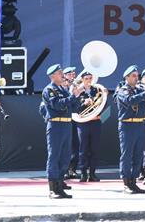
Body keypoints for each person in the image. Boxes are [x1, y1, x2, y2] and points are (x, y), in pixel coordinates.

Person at [41, 64, 82, 199]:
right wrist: (72, 97)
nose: (63, 75)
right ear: (52, 76)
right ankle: (53, 188)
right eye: (60, 73)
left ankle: (59, 186)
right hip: (55, 124)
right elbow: (57, 105)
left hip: (66, 124)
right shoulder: (49, 90)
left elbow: (74, 108)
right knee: (54, 156)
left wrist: (77, 96)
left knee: (65, 156)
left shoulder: (63, 90)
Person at [115, 65, 145, 194]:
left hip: (139, 124)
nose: (136, 78)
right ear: (126, 77)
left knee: (138, 155)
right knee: (127, 155)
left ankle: (134, 181)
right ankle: (126, 182)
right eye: (133, 76)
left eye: (137, 75)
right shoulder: (122, 90)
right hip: (127, 125)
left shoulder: (140, 89)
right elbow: (130, 101)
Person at [75, 70, 103, 182]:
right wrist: (84, 103)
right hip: (83, 123)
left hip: (95, 122)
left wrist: (102, 98)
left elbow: (105, 106)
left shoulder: (97, 91)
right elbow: (75, 108)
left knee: (94, 148)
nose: (89, 81)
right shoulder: (78, 92)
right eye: (86, 79)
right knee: (83, 148)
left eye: (90, 78)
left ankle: (92, 173)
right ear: (82, 79)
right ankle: (83, 173)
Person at [62, 66, 80, 181]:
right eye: (70, 74)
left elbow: (76, 106)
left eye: (74, 73)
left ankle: (72, 169)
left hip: (74, 119)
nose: (73, 76)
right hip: (63, 120)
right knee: (63, 146)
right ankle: (63, 170)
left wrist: (77, 95)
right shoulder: (62, 88)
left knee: (75, 145)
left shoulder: (75, 87)